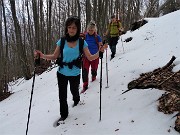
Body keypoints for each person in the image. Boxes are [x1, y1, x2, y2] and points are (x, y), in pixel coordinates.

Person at [34, 16, 107, 122]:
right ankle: (64, 115)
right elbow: (54, 56)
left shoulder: (82, 42)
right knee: (62, 96)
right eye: (69, 27)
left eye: (74, 28)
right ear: (66, 28)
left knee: (74, 91)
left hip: (75, 73)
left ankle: (76, 100)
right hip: (62, 72)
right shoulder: (62, 41)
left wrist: (100, 51)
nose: (71, 30)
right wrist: (42, 55)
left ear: (77, 29)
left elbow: (90, 57)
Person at [81, 21, 103, 93]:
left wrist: (101, 49)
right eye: (89, 30)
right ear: (87, 29)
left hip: (95, 57)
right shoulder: (84, 36)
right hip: (85, 57)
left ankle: (94, 80)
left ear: (95, 30)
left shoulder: (97, 37)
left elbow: (100, 45)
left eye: (92, 30)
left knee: (94, 70)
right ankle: (85, 86)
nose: (90, 31)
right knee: (85, 71)